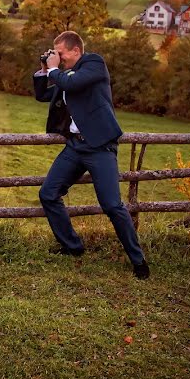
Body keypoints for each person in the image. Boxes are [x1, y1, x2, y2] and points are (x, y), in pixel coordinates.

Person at [33, 31, 150, 279]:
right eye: (57, 55)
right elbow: (43, 94)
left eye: (62, 54)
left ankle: (138, 260)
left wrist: (55, 70)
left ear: (76, 50)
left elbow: (71, 83)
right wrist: (45, 70)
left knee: (111, 205)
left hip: (99, 146)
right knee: (48, 194)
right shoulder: (64, 75)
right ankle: (72, 246)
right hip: (75, 146)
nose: (60, 59)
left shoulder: (94, 64)